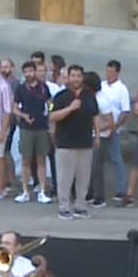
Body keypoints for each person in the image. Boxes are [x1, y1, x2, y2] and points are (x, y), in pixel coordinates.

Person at [49, 64, 99, 219]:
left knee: (83, 178)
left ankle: (80, 206)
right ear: (68, 77)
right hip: (65, 143)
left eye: (78, 76)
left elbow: (95, 115)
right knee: (65, 178)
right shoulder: (60, 96)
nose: (76, 79)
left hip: (85, 143)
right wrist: (70, 108)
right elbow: (52, 116)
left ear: (82, 78)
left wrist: (97, 135)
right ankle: (64, 207)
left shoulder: (89, 96)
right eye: (73, 76)